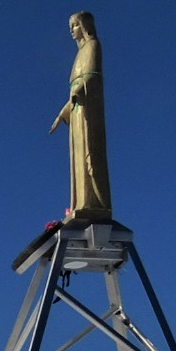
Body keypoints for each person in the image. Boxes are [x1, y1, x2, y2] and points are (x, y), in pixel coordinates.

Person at [49, 11, 113, 221]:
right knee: (78, 156)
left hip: (88, 111)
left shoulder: (93, 46)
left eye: (75, 26)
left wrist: (78, 92)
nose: (71, 31)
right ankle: (81, 201)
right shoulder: (79, 54)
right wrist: (64, 112)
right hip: (78, 111)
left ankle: (95, 202)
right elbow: (76, 87)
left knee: (90, 153)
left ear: (84, 26)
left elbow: (92, 79)